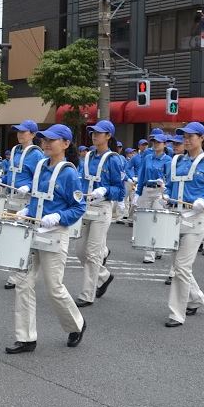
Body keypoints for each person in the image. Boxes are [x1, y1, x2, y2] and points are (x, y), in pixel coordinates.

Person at [6, 124, 87, 354]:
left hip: (55, 234)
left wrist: (59, 216)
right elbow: (36, 198)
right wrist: (27, 212)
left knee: (54, 288)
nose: (47, 143)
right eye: (45, 139)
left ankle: (76, 324)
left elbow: (79, 206)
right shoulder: (41, 166)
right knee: (23, 283)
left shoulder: (69, 172)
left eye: (53, 139)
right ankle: (26, 338)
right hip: (33, 231)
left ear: (66, 143)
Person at [163, 122, 204, 327]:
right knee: (179, 266)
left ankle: (176, 313)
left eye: (191, 136)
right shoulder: (177, 161)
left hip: (196, 219)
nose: (187, 140)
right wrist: (167, 195)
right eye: (184, 136)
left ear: (201, 138)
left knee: (181, 266)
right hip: (174, 218)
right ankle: (196, 298)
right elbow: (172, 186)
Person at [74, 120, 124, 306]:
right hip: (85, 207)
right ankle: (104, 276)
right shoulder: (86, 157)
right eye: (93, 132)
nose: (95, 135)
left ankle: (87, 294)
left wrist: (104, 190)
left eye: (99, 133)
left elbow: (120, 191)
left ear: (108, 136)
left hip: (102, 209)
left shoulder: (114, 159)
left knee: (93, 253)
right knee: (80, 251)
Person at [2, 120, 44, 289]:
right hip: (12, 198)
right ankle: (18, 270)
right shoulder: (14, 151)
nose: (20, 134)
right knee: (12, 236)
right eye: (18, 131)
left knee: (22, 238)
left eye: (24, 132)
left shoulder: (37, 155)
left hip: (26, 200)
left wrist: (29, 187)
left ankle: (20, 274)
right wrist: (3, 181)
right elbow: (11, 173)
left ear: (33, 134)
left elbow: (41, 179)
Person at [134, 133, 172, 263]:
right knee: (146, 221)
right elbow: (141, 175)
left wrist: (166, 190)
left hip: (159, 191)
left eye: (158, 142)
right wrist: (138, 193)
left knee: (156, 220)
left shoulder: (168, 160)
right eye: (154, 142)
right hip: (146, 189)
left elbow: (170, 178)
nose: (155, 144)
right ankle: (154, 249)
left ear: (165, 144)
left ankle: (152, 253)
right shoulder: (147, 158)